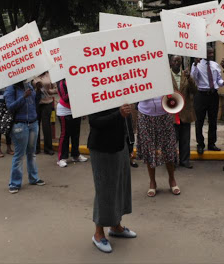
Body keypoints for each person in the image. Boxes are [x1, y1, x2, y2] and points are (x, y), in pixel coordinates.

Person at [88, 104, 136, 253]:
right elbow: (94, 121)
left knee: (120, 186)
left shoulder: (119, 91)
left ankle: (116, 226)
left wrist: (130, 144)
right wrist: (118, 114)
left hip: (120, 145)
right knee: (104, 190)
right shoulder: (93, 91)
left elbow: (126, 120)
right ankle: (98, 233)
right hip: (102, 148)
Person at [4, 80, 45, 194]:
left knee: (31, 153)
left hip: (33, 123)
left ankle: (34, 178)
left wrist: (38, 91)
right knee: (19, 155)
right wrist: (23, 97)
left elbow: (35, 104)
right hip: (20, 125)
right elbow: (10, 107)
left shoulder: (28, 86)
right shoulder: (11, 88)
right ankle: (14, 183)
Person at [137, 96, 180, 197]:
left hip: (164, 113)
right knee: (149, 148)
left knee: (168, 147)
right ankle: (152, 182)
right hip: (145, 114)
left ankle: (172, 179)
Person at [191, 46, 224, 154]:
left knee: (213, 120)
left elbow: (218, 80)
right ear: (204, 53)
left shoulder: (215, 65)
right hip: (201, 95)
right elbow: (193, 77)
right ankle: (200, 144)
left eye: (212, 53)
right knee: (199, 121)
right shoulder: (197, 64)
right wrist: (195, 64)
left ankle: (212, 143)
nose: (211, 55)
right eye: (209, 53)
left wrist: (223, 82)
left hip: (213, 95)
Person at [170, 55, 197, 169]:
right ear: (171, 62)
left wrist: (190, 78)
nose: (177, 63)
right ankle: (172, 162)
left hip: (185, 112)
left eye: (179, 61)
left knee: (185, 139)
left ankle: (185, 160)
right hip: (171, 113)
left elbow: (194, 90)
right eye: (175, 61)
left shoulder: (186, 75)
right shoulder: (166, 76)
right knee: (172, 139)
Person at [56, 79, 88, 167]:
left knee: (76, 134)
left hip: (75, 111)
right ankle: (61, 158)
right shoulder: (62, 83)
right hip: (65, 112)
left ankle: (75, 155)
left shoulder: (76, 80)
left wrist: (82, 110)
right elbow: (65, 98)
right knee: (65, 135)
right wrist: (75, 88)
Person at [33, 72, 57, 155]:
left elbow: (56, 89)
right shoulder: (33, 75)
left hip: (47, 103)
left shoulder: (50, 75)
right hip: (36, 104)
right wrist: (37, 88)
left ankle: (48, 148)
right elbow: (29, 89)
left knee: (46, 126)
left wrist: (49, 91)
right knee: (36, 126)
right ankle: (36, 148)